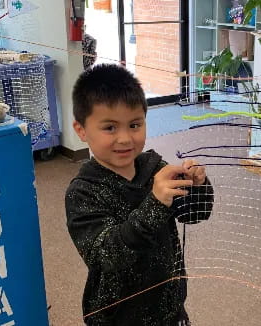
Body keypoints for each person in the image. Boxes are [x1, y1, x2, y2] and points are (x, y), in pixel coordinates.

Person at [65, 64, 214, 325]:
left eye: (134, 125)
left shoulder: (154, 168)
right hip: (117, 317)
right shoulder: (83, 192)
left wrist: (198, 186)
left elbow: (195, 214)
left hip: (169, 308)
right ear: (81, 130)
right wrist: (155, 203)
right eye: (110, 128)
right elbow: (106, 254)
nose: (125, 138)